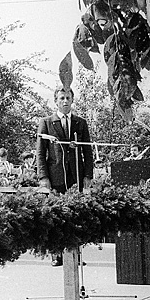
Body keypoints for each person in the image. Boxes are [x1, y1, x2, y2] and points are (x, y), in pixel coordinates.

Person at [36, 86, 93, 266]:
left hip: (76, 175)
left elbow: (87, 150)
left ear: (72, 100)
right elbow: (40, 153)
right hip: (55, 176)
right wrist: (43, 177)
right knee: (56, 214)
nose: (65, 101)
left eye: (68, 97)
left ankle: (76, 254)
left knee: (76, 214)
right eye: (62, 98)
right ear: (56, 101)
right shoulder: (46, 122)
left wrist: (88, 175)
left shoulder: (80, 123)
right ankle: (57, 254)